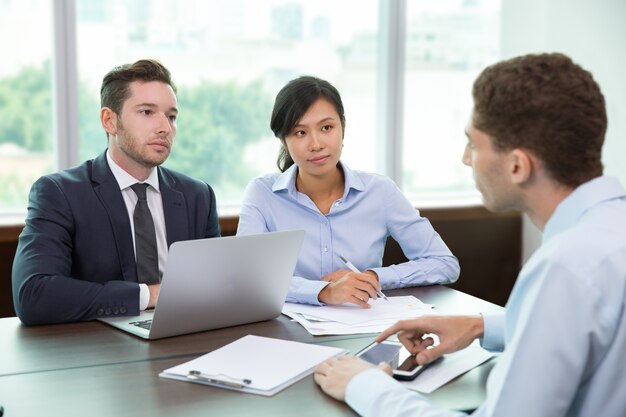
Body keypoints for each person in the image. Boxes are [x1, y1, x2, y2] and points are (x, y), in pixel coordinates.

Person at [314, 52, 626, 416]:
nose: (466, 158)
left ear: (517, 166)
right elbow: (590, 325)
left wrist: (367, 387)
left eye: (474, 144)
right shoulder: (608, 232)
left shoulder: (564, 267)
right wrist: (480, 326)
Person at [12, 59, 220, 325]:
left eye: (171, 116)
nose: (165, 128)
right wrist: (148, 295)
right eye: (147, 112)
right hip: (98, 351)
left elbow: (215, 288)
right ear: (109, 121)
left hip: (184, 341)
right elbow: (33, 296)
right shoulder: (59, 193)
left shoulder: (198, 196)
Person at [236, 76, 459, 307]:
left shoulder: (379, 192)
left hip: (364, 326)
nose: (316, 144)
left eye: (326, 128)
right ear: (284, 141)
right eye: (300, 133)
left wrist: (372, 277)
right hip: (287, 332)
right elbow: (245, 277)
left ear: (343, 126)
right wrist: (323, 291)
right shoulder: (262, 193)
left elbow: (444, 263)